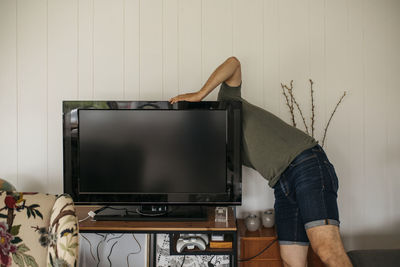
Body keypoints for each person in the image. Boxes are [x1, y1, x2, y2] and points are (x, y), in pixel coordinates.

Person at [170, 57, 353, 267]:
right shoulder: (220, 150)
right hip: (280, 184)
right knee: (291, 259)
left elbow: (233, 63)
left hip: (306, 165)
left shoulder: (227, 103)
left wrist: (200, 94)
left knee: (327, 249)